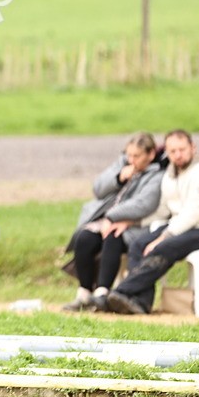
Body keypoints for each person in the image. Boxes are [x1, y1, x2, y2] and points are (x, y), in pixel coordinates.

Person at [98, 129, 199, 315]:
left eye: (182, 149)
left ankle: (120, 292)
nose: (177, 155)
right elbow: (162, 211)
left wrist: (163, 237)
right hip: (180, 227)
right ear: (167, 153)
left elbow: (193, 214)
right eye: (172, 151)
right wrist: (132, 223)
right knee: (138, 244)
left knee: (161, 247)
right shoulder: (170, 175)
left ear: (192, 148)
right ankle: (139, 303)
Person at [61, 132, 166, 312]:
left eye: (137, 156)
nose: (131, 159)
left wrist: (111, 217)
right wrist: (119, 178)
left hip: (137, 225)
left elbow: (144, 204)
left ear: (150, 155)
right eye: (129, 154)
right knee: (84, 238)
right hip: (107, 222)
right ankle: (84, 294)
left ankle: (102, 294)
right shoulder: (122, 164)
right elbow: (98, 189)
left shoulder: (157, 174)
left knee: (113, 237)